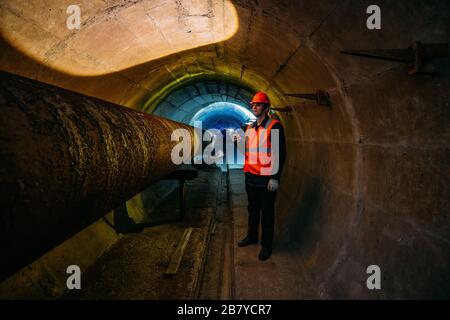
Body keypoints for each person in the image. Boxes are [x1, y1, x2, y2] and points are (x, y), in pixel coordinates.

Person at [237, 92, 286, 261]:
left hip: (266, 179)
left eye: (258, 105)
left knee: (267, 213)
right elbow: (247, 150)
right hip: (250, 176)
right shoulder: (250, 127)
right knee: (252, 209)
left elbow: (280, 154)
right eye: (253, 105)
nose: (255, 107)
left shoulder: (275, 126)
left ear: (266, 107)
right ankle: (252, 236)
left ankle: (266, 245)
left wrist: (275, 177)